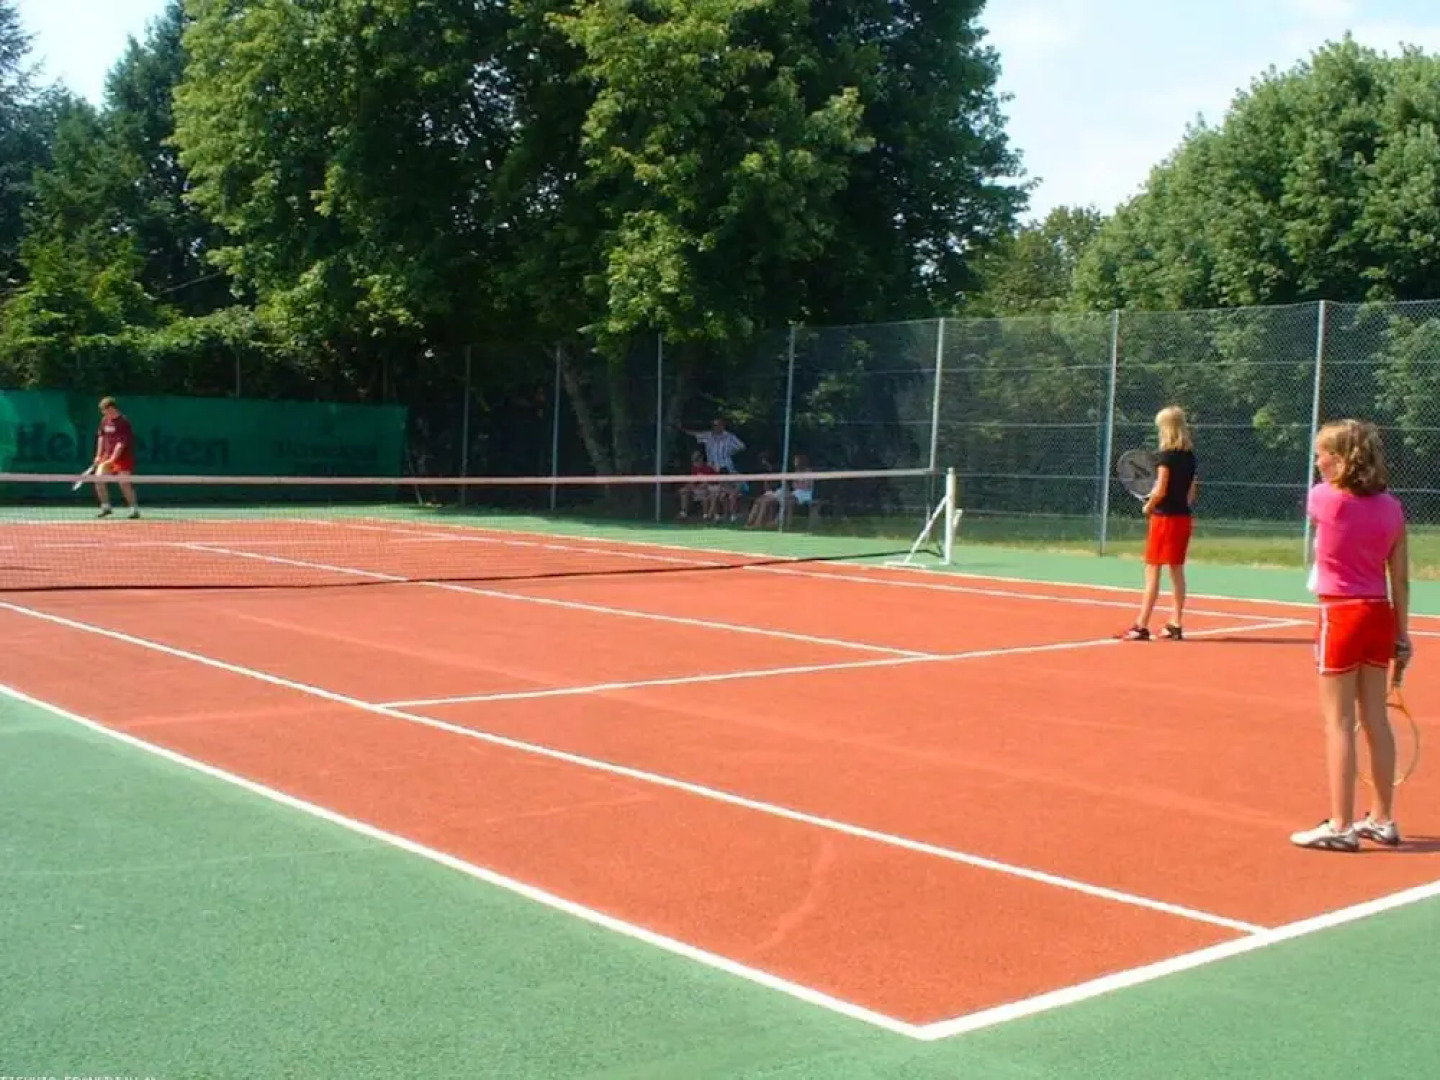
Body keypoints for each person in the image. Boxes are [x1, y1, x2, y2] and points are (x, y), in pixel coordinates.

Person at [1290, 419, 1410, 852]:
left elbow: (1327, 513)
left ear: (1341, 460)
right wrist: (1403, 635)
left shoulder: (1324, 499)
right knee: (1375, 718)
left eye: (1323, 453)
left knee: (1338, 722)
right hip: (1379, 615)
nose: (1317, 460)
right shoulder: (1393, 508)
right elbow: (1400, 579)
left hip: (1340, 614)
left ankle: (1341, 824)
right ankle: (1382, 817)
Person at [1120, 405, 1197, 641]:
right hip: (1183, 518)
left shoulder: (1165, 457)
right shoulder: (1190, 458)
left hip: (1164, 519)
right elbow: (1191, 491)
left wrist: (1149, 506)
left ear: (1166, 429)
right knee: (1177, 571)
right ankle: (1176, 623)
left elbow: (1161, 488)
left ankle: (1141, 625)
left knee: (1152, 570)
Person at [93, 396, 141, 519]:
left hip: (123, 458)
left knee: (124, 483)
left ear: (111, 408)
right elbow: (101, 438)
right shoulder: (104, 420)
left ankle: (134, 509)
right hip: (107, 456)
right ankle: (106, 507)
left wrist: (112, 459)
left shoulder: (123, 422)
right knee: (98, 479)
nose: (103, 413)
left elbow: (121, 444)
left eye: (105, 410)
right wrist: (99, 455)